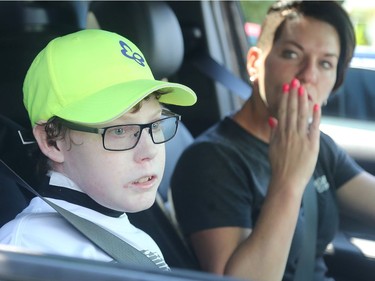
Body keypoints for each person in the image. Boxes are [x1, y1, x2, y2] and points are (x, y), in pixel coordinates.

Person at [171, 1, 375, 281]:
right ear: (255, 63)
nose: (308, 75)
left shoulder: (317, 146)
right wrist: (289, 180)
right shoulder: (211, 159)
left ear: (335, 83)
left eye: (326, 64)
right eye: (291, 54)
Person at [0, 29, 197, 269]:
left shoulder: (132, 235)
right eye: (119, 131)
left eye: (155, 125)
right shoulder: (27, 252)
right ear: (52, 141)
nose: (149, 151)